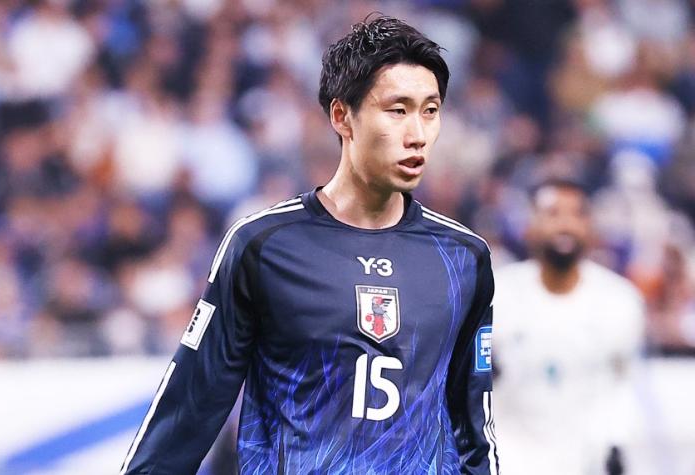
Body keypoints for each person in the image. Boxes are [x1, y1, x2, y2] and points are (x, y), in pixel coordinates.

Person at [121, 15, 499, 475]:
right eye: (397, 110)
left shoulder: (463, 258)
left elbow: (473, 430)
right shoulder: (264, 246)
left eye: (430, 111)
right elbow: (188, 409)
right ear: (342, 116)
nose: (417, 134)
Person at [492, 178, 646, 475]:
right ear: (530, 226)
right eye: (553, 213)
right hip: (513, 454)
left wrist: (616, 443)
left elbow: (624, 386)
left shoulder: (620, 300)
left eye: (577, 214)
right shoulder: (497, 295)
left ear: (591, 227)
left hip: (587, 458)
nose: (565, 224)